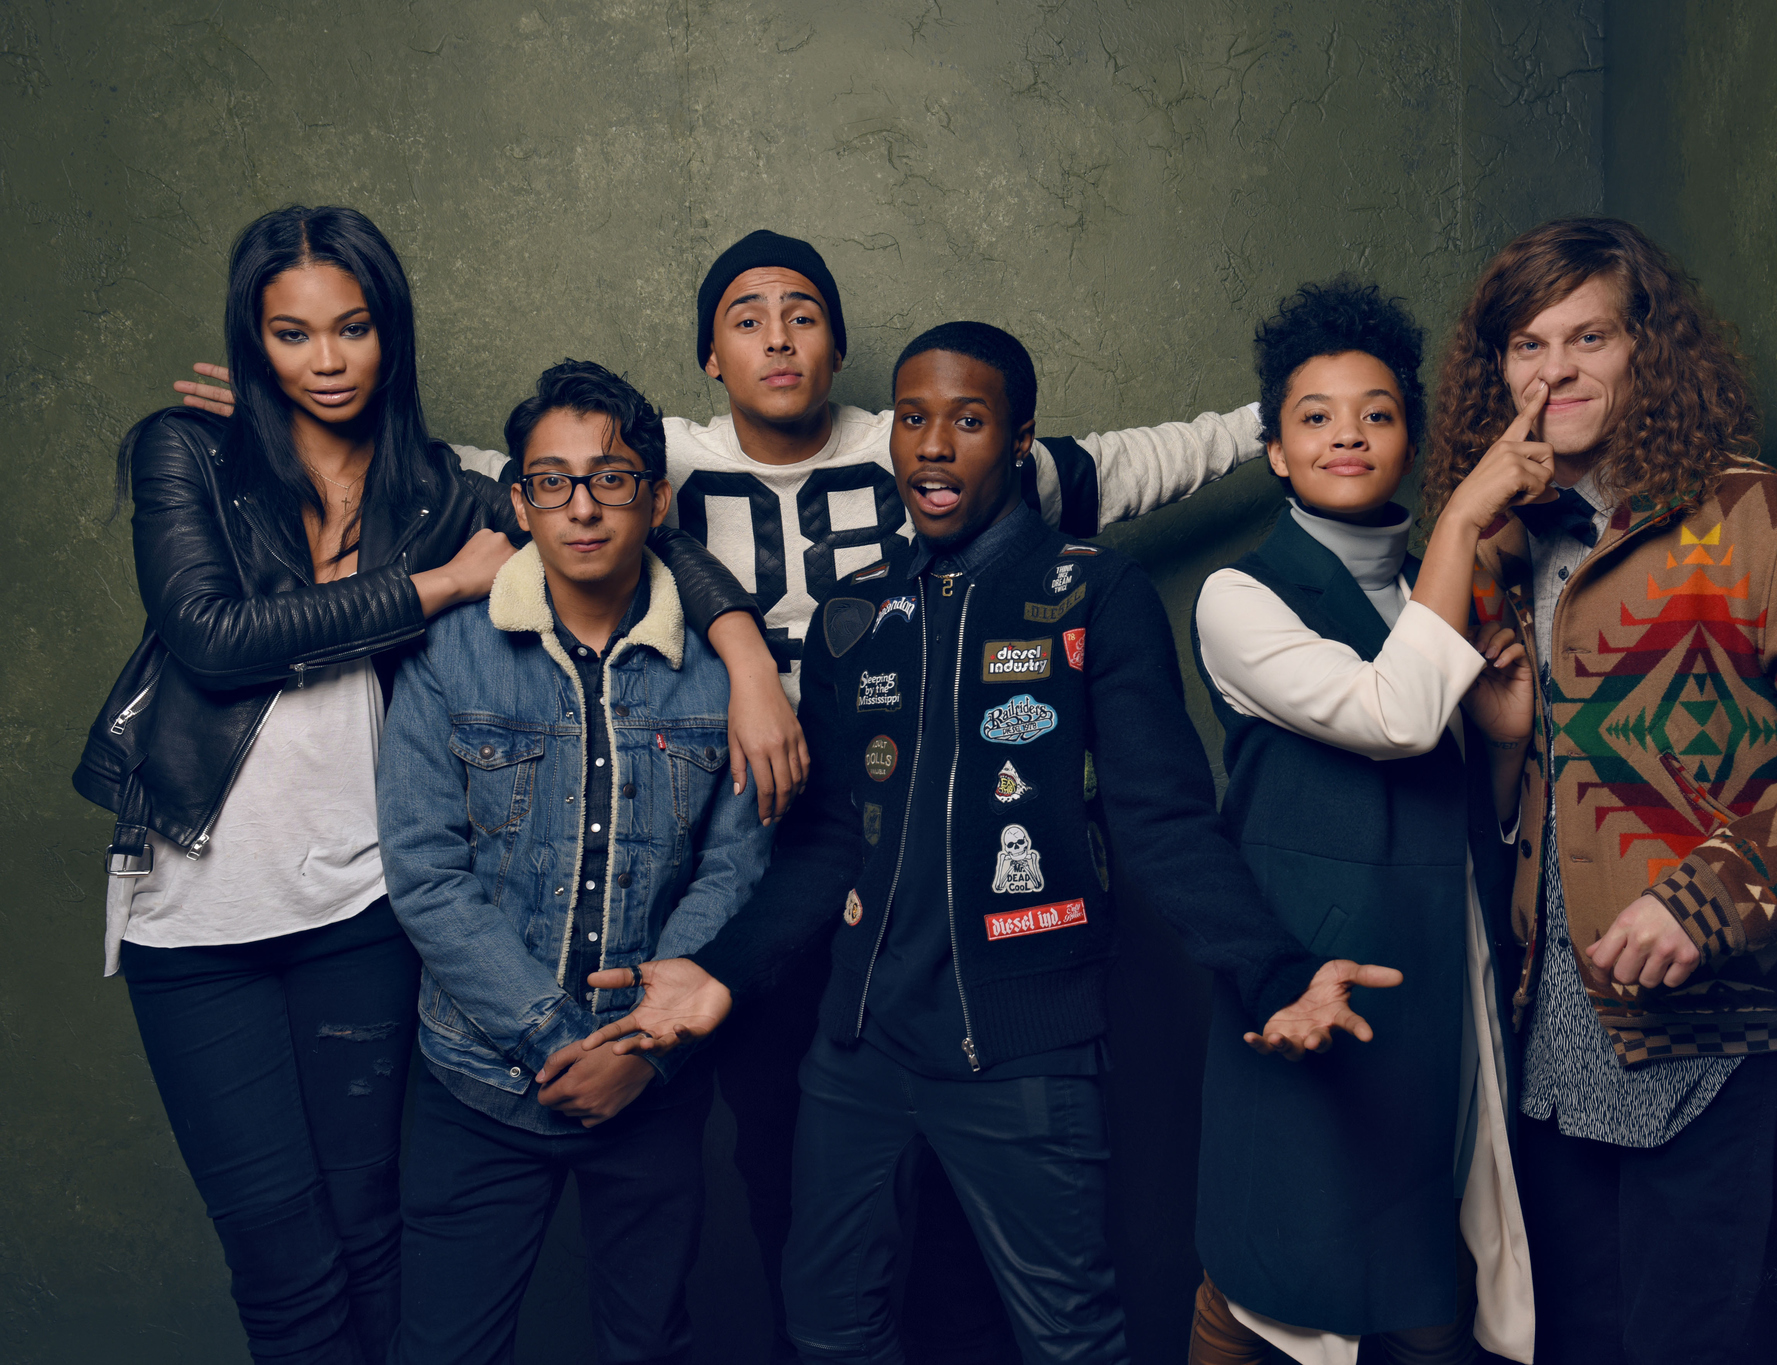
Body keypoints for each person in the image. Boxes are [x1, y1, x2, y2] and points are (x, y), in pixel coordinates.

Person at [174, 228, 1275, 1363]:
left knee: (956, 1251)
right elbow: (527, 480)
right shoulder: (666, 470)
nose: (777, 338)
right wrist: (296, 418)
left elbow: (1136, 466)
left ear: (839, 342)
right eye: (745, 318)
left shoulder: (934, 435)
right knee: (800, 1213)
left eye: (801, 313)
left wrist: (1276, 417)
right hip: (786, 883)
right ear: (709, 355)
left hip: (866, 883)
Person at [577, 320, 1405, 1364]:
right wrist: (717, 976)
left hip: (1024, 1054)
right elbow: (829, 841)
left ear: (1018, 441)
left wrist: (1274, 971)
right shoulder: (853, 616)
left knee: (1066, 1341)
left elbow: (1163, 822)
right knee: (829, 1327)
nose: (932, 444)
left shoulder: (1092, 595)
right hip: (858, 1053)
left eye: (966, 420)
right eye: (913, 418)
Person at [72, 206, 758, 1365]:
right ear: (253, 340)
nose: (327, 363)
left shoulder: (438, 487)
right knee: (284, 1265)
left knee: (369, 1240)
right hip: (198, 922)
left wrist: (740, 645)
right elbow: (209, 635)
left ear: (392, 332)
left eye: (353, 329)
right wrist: (436, 588)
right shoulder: (188, 453)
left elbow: (610, 516)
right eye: (292, 336)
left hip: (359, 909)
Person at [1422, 218, 1777, 1364]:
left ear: (1646, 350)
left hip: (1720, 1037)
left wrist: (1706, 898)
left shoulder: (1766, 523)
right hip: (1552, 1038)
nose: (1552, 370)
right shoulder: (1506, 551)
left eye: (1588, 337)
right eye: (1524, 345)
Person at [376, 359, 774, 1363]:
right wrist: (559, 1041)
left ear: (655, 498)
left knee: (649, 1344)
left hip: (654, 1095)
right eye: (551, 481)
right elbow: (424, 870)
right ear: (519, 501)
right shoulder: (447, 654)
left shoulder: (722, 673)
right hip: (475, 1084)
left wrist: (638, 1048)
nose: (582, 507)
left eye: (610, 478)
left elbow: (733, 869)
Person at [1185, 277, 1542, 1365]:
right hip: (1302, 969)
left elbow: (1467, 811)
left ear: (1408, 436)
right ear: (1277, 453)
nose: (1348, 434)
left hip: (1436, 969)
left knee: (1423, 1274)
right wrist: (1472, 512)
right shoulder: (1235, 600)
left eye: (1377, 412)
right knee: (1270, 1271)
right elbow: (1390, 716)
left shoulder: (1448, 589)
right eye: (1315, 416)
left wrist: (1507, 737)